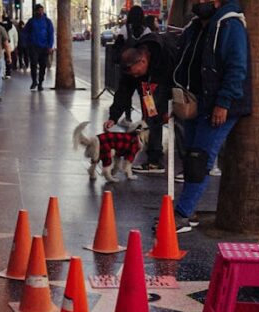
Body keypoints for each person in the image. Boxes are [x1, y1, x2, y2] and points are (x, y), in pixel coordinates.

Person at [171, 0, 251, 233]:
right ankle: (188, 209)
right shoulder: (196, 28)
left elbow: (237, 67)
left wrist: (223, 103)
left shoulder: (230, 26)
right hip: (196, 103)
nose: (198, 3)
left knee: (199, 159)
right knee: (191, 157)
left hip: (217, 106)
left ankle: (183, 213)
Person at [103, 32, 176, 175]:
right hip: (150, 85)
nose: (135, 76)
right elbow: (124, 91)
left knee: (163, 118)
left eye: (136, 73)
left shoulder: (165, 55)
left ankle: (188, 165)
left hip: (168, 82)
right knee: (151, 117)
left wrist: (170, 109)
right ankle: (154, 160)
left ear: (143, 61)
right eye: (132, 75)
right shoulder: (133, 64)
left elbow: (176, 78)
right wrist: (113, 116)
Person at [113, 6, 150, 127]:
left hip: (128, 70)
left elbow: (117, 47)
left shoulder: (125, 29)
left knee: (125, 94)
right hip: (144, 72)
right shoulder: (147, 31)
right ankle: (147, 118)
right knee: (146, 95)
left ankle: (127, 117)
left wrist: (112, 118)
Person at [22, 4, 54, 91]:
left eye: (42, 10)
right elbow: (25, 32)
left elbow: (51, 34)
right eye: (39, 11)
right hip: (33, 46)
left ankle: (40, 83)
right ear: (35, 11)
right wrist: (26, 43)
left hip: (44, 47)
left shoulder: (47, 21)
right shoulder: (31, 21)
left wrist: (50, 46)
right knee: (33, 64)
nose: (40, 12)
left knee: (43, 66)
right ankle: (34, 81)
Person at [0, 15, 16, 79]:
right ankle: (8, 73)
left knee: (1, 59)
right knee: (8, 59)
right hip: (10, 45)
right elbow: (15, 36)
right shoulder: (12, 27)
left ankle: (2, 73)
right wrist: (15, 44)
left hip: (1, 46)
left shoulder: (0, 25)